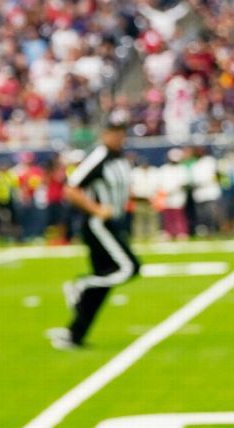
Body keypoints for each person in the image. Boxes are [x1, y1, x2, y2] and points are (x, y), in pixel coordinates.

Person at [49, 114, 139, 350]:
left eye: (122, 131)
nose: (119, 136)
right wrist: (97, 209)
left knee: (105, 280)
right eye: (114, 131)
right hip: (99, 226)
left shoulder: (119, 158)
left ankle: (74, 334)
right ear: (104, 133)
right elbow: (71, 189)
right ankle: (81, 285)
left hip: (113, 223)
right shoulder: (99, 156)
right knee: (128, 267)